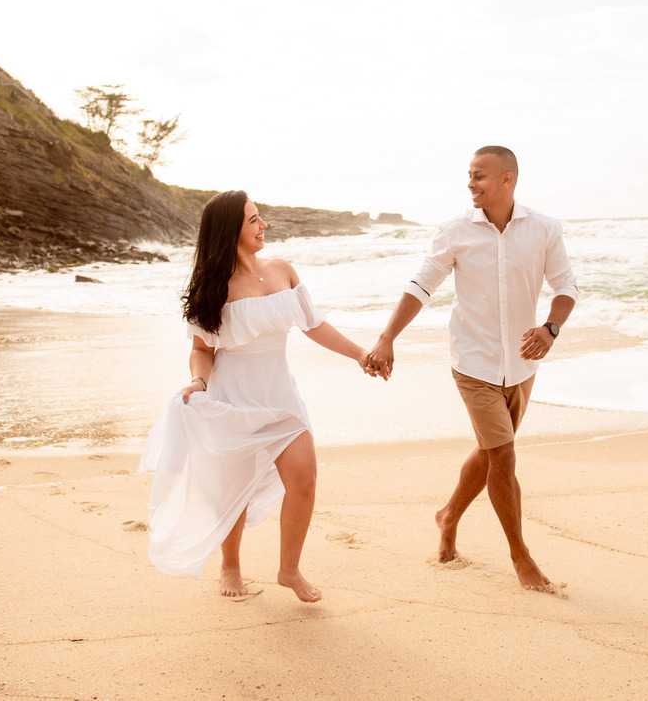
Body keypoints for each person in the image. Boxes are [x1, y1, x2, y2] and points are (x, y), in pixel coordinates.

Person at [138, 190, 373, 601]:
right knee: (235, 490)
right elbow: (201, 350)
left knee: (304, 479)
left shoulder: (282, 269)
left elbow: (314, 324)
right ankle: (230, 566)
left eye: (260, 217)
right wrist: (198, 383)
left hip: (280, 394)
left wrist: (360, 354)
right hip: (233, 401)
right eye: (253, 220)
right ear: (231, 230)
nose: (263, 225)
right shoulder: (212, 289)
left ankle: (289, 570)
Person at [364, 146, 577, 591]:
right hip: (473, 361)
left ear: (507, 179)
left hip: (522, 363)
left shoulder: (543, 229)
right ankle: (521, 556)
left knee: (488, 452)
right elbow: (421, 285)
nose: (471, 183)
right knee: (503, 453)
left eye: (479, 175)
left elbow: (565, 286)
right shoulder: (456, 231)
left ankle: (447, 516)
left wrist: (551, 328)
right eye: (469, 175)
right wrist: (386, 338)